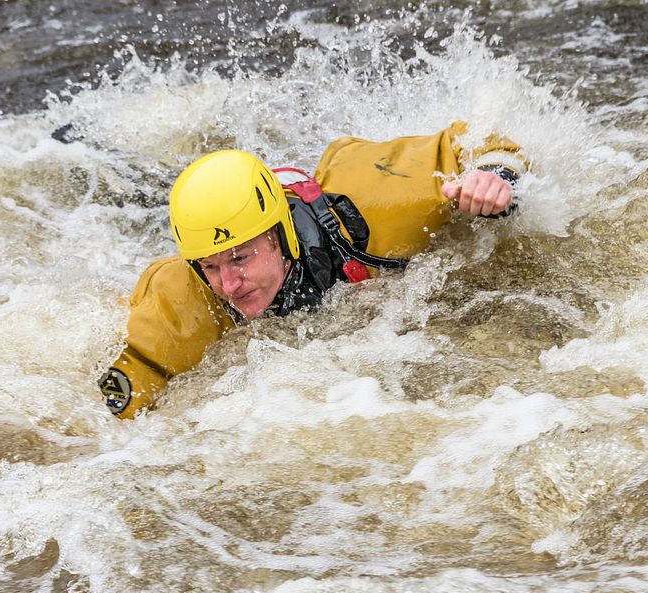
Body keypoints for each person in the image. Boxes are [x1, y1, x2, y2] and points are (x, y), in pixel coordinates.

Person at [99, 121, 528, 418]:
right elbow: (125, 382)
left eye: (240, 258)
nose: (228, 284)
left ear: (280, 233)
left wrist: (492, 176)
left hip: (353, 178)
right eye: (210, 265)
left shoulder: (383, 204)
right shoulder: (183, 294)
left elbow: (483, 139)